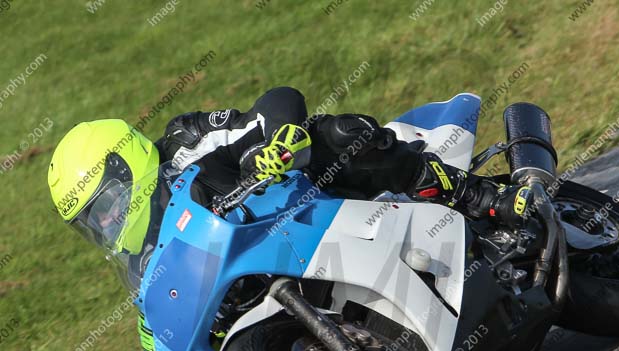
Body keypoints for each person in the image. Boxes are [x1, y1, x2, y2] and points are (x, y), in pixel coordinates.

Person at [47, 86, 531, 296]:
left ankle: (478, 196)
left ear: (125, 168)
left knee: (339, 135)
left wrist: (274, 141)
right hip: (292, 267)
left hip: (320, 203)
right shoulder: (144, 263)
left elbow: (273, 105)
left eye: (104, 207)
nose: (107, 224)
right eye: (92, 222)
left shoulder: (184, 142)